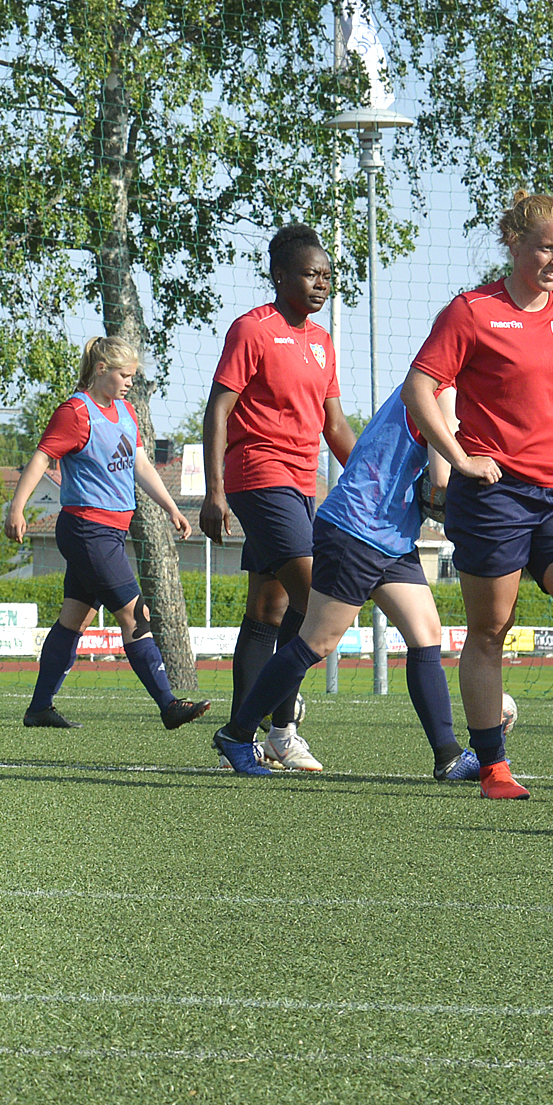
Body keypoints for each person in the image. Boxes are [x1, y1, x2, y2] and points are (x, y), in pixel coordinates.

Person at [401, 191, 553, 801]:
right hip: (494, 497)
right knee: (491, 630)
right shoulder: (471, 311)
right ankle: (493, 768)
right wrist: (459, 457)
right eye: (546, 247)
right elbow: (419, 388)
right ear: (513, 242)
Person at [211, 383, 478, 781]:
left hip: (391, 532)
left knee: (426, 633)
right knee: (316, 641)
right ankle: (236, 734)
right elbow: (441, 478)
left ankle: (448, 755)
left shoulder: (428, 386)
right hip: (359, 527)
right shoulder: (443, 390)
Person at [199, 225, 353, 771]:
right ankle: (279, 724)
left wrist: (369, 477)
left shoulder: (322, 341)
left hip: (301, 485)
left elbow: (333, 424)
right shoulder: (252, 330)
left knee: (269, 609)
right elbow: (218, 411)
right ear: (280, 275)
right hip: (258, 476)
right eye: (310, 274)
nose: (321, 285)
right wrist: (214, 491)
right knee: (320, 603)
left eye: (328, 276)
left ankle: (250, 739)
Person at [2, 337, 209, 733]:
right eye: (124, 374)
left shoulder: (126, 411)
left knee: (74, 620)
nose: (130, 382)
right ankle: (168, 704)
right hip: (86, 530)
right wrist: (16, 508)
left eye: (133, 375)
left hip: (110, 534)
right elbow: (43, 457)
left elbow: (141, 464)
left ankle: (40, 708)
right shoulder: (76, 412)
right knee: (135, 614)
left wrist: (171, 508)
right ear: (101, 370)